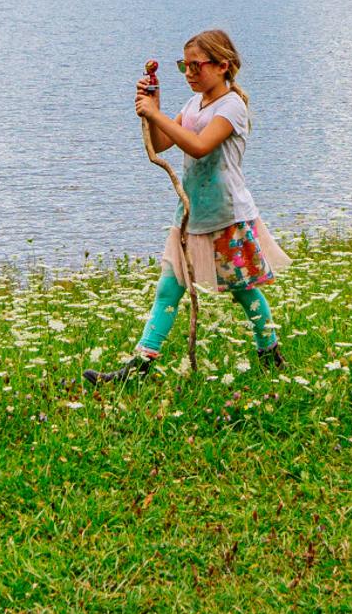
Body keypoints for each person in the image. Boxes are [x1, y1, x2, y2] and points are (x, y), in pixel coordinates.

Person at [85, 29, 290, 383]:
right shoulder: (193, 105)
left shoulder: (232, 107)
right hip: (191, 212)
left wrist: (155, 112)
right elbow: (163, 143)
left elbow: (198, 146)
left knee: (243, 288)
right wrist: (154, 109)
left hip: (226, 214)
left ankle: (269, 352)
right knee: (169, 286)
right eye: (185, 66)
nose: (190, 73)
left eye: (197, 66)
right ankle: (141, 365)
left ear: (223, 65)